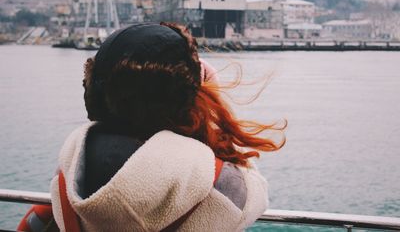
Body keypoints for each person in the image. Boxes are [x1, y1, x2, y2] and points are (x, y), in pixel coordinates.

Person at [49, 22, 285, 231]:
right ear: (192, 98)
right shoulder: (217, 183)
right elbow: (256, 190)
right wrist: (211, 111)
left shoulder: (70, 166)